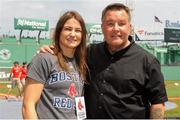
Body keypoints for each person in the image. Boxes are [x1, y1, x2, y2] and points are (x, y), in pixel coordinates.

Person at [39, 3, 168, 119]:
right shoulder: (89, 52)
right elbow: (67, 52)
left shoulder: (148, 61)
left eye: (121, 24)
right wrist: (51, 50)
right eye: (110, 24)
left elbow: (157, 104)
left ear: (130, 27)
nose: (116, 29)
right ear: (102, 27)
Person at [22, 11, 88, 119]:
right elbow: (28, 105)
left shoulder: (82, 62)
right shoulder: (44, 59)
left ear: (83, 35)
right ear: (59, 32)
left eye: (78, 30)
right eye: (67, 29)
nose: (73, 34)